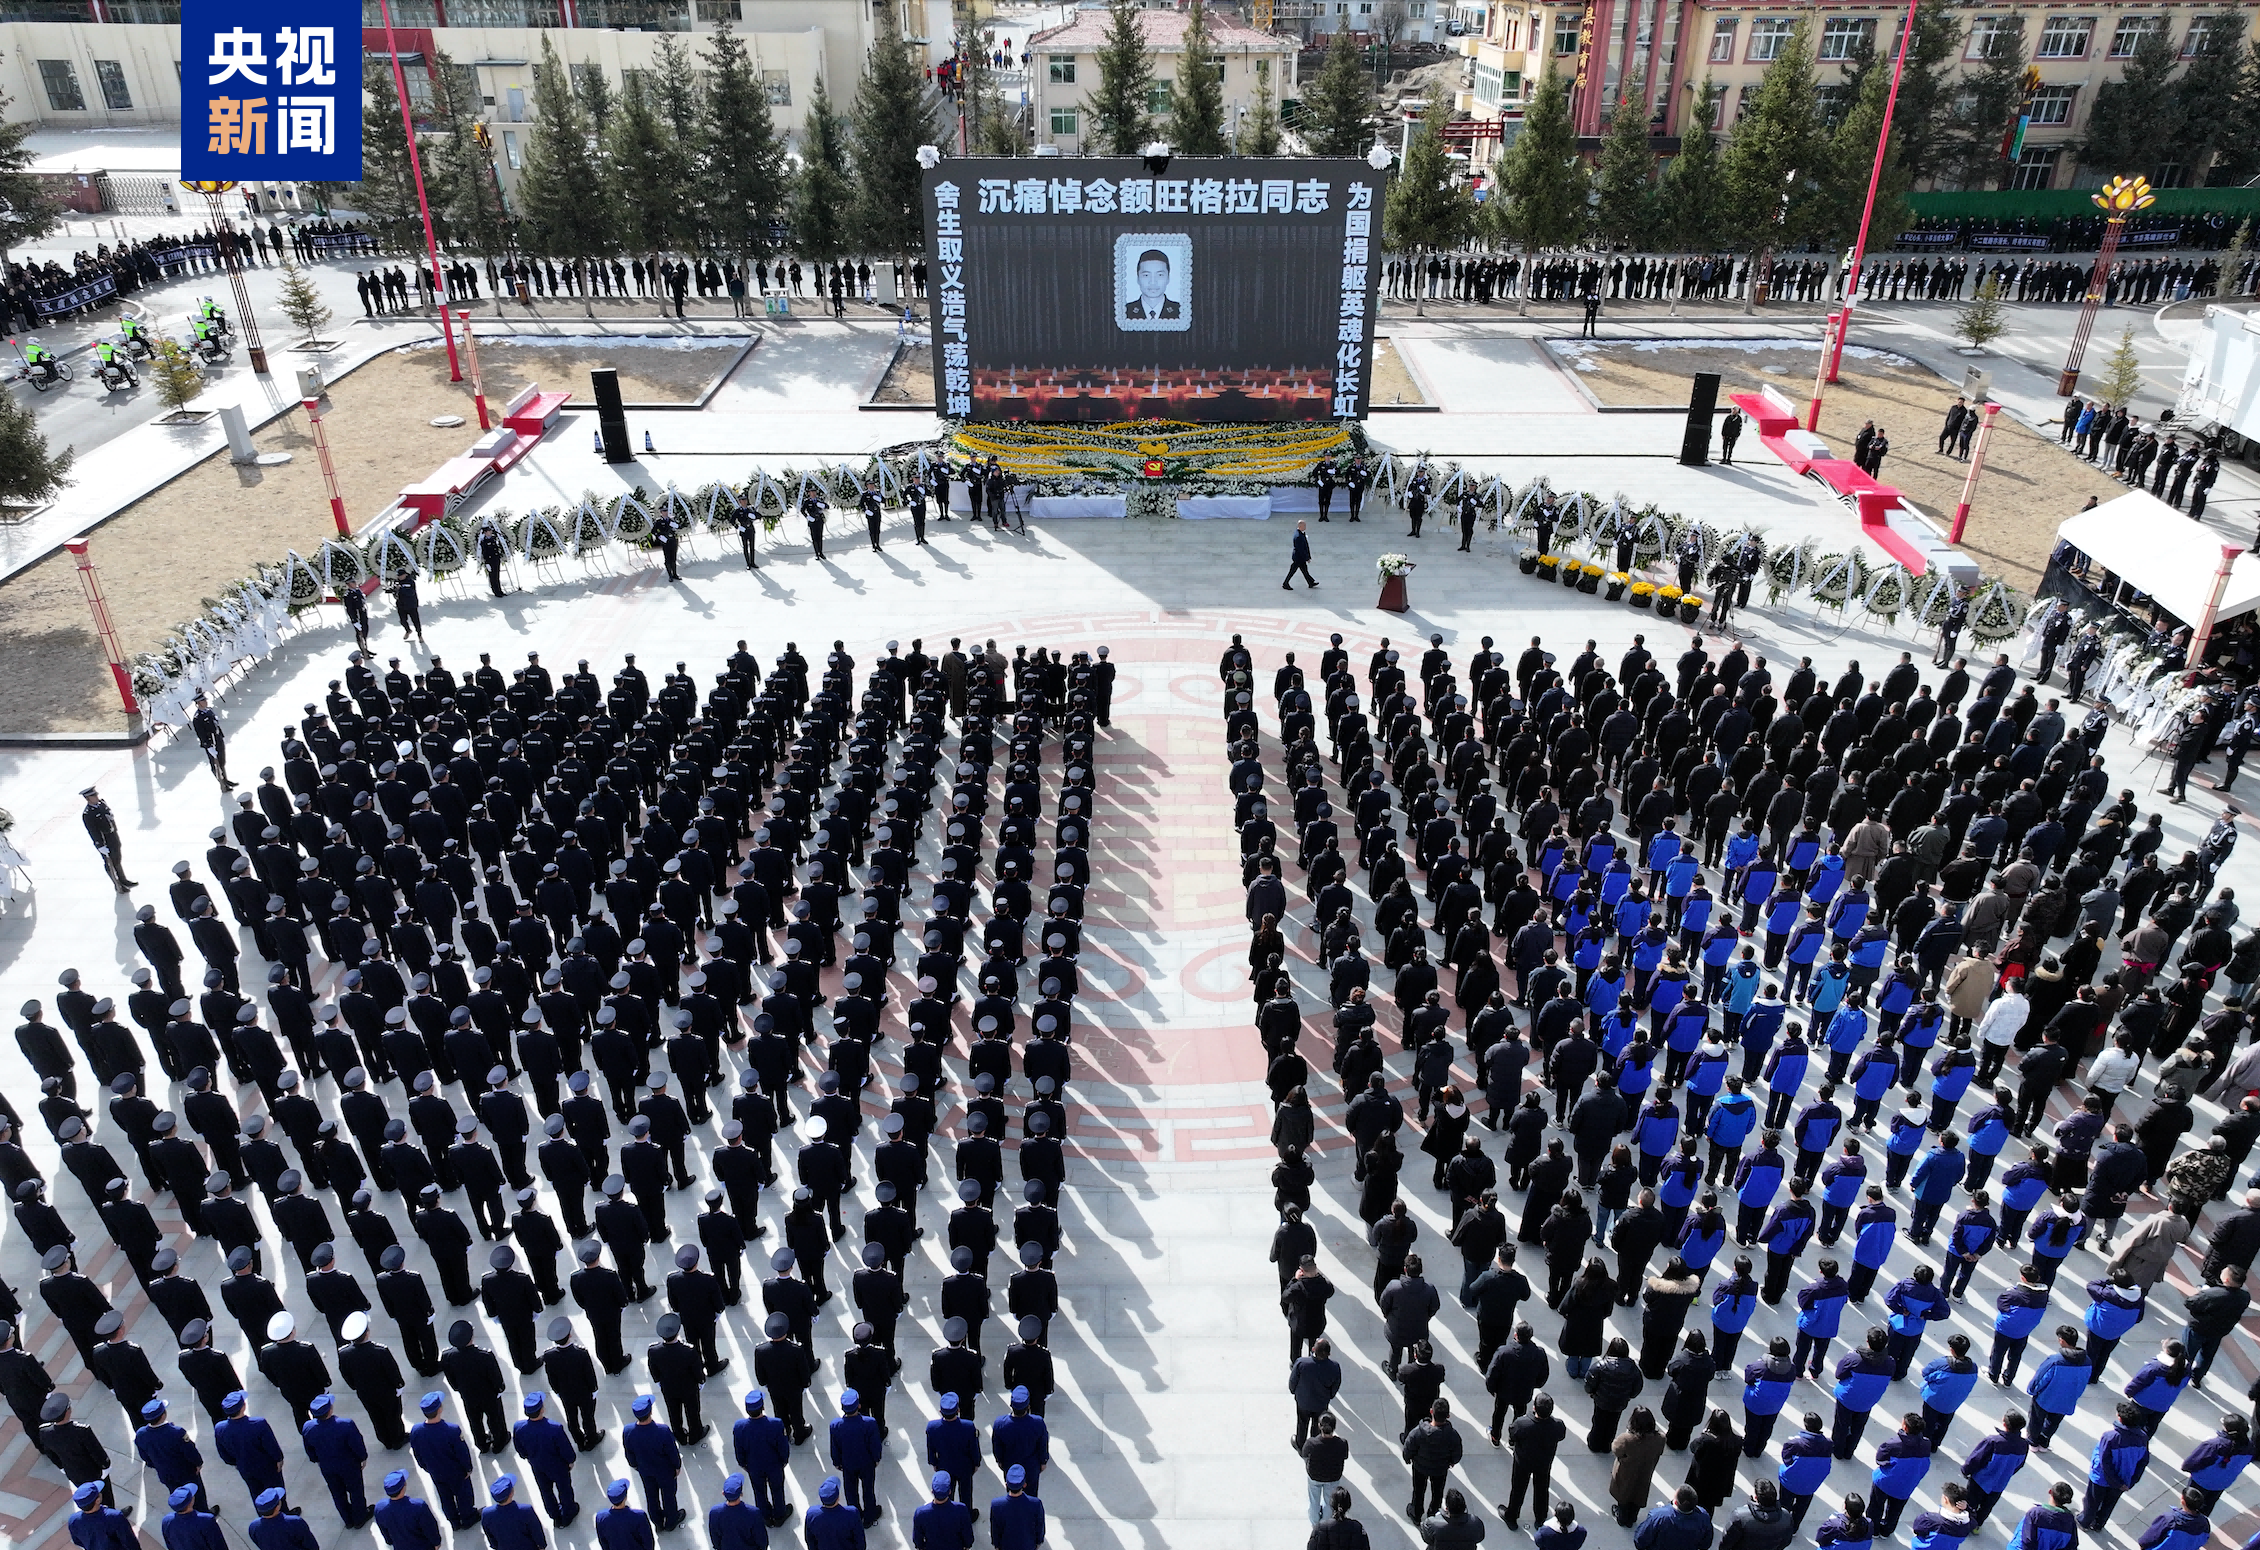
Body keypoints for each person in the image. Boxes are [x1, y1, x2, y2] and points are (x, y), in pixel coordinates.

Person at [82, 786, 133, 892]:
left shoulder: (102, 803)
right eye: (93, 796)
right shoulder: (88, 814)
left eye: (96, 795)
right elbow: (93, 831)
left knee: (117, 859)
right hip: (104, 840)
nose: (96, 797)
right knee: (110, 863)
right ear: (88, 799)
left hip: (112, 836)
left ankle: (123, 880)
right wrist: (100, 845)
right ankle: (118, 885)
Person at [190, 692, 234, 789]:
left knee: (222, 761)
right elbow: (201, 734)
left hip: (218, 739)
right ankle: (222, 784)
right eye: (203, 701)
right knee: (215, 764)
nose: (206, 702)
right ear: (198, 703)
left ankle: (225, 780)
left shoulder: (209, 710)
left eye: (205, 700)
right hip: (211, 742)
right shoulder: (198, 718)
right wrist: (209, 747)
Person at [1285, 522, 1319, 591]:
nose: (1305, 527)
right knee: (1293, 571)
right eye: (1304, 526)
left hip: (1299, 557)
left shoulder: (1299, 534)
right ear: (1300, 526)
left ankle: (1310, 582)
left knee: (1304, 570)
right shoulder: (1298, 536)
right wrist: (1307, 558)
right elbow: (1301, 549)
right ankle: (1285, 583)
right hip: (1299, 558)